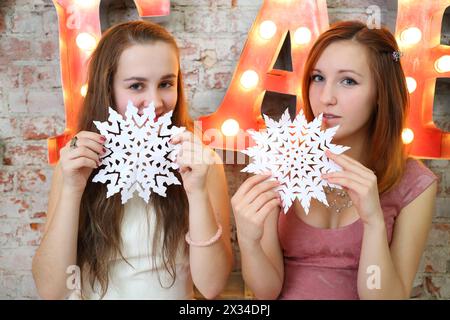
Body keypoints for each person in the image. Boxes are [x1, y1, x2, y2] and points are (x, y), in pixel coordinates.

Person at [231, 21, 437, 300]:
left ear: (381, 93)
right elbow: (266, 291)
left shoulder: (414, 183)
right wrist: (249, 240)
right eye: (318, 78)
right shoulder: (281, 161)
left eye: (348, 81)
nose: (326, 97)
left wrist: (374, 222)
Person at [32, 20, 233, 300]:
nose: (155, 101)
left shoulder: (202, 163)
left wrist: (197, 192)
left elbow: (211, 287)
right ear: (108, 89)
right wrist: (72, 189)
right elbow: (51, 291)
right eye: (137, 86)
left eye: (165, 84)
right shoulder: (77, 166)